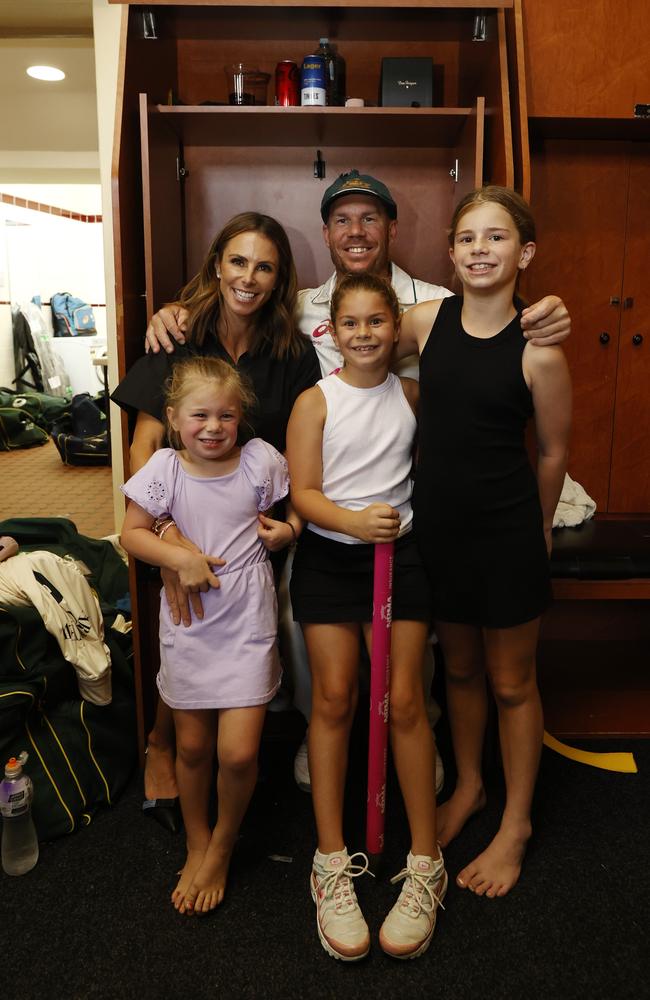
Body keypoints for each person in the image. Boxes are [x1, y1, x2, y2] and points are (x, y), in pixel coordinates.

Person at [142, 170, 571, 796]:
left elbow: (499, 337)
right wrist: (180, 308)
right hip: (321, 495)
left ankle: (415, 737)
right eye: (342, 220)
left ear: (394, 229)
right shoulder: (307, 302)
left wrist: (549, 308)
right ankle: (327, 733)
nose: (356, 231)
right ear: (326, 234)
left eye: (370, 218)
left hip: (418, 499)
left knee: (442, 656)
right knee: (306, 618)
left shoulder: (426, 302)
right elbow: (241, 298)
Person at [111, 212, 320, 830]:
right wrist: (171, 540)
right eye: (237, 261)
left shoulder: (292, 352)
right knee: (184, 627)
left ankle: (238, 740)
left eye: (264, 266)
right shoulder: (179, 334)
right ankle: (162, 742)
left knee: (236, 631)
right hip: (174, 523)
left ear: (279, 280)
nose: (248, 277)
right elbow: (144, 444)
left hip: (250, 535)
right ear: (216, 265)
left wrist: (289, 524)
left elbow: (302, 452)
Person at [397, 185, 572, 899]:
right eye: (467, 237)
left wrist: (535, 531)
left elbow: (554, 453)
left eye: (496, 238)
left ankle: (518, 823)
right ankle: (469, 786)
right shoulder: (425, 321)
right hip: (439, 530)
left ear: (524, 253)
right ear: (450, 252)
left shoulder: (540, 351)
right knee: (460, 672)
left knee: (509, 681)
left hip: (505, 537)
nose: (480, 249)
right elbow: (351, 329)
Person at [287, 272, 445, 961]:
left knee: (406, 701)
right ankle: (330, 860)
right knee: (334, 697)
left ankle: (426, 860)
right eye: (349, 323)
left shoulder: (414, 396)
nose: (363, 335)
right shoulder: (313, 402)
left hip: (400, 561)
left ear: (396, 326)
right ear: (330, 331)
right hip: (330, 561)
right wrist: (354, 521)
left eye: (376, 323)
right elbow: (305, 494)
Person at [120, 356, 296, 914]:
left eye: (226, 414)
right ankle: (197, 840)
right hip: (191, 623)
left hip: (247, 619)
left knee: (239, 753)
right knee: (193, 747)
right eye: (200, 415)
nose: (213, 427)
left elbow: (287, 514)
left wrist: (288, 530)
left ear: (241, 416)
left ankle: (222, 845)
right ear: (174, 419)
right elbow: (131, 534)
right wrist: (178, 558)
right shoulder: (164, 469)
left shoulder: (261, 461)